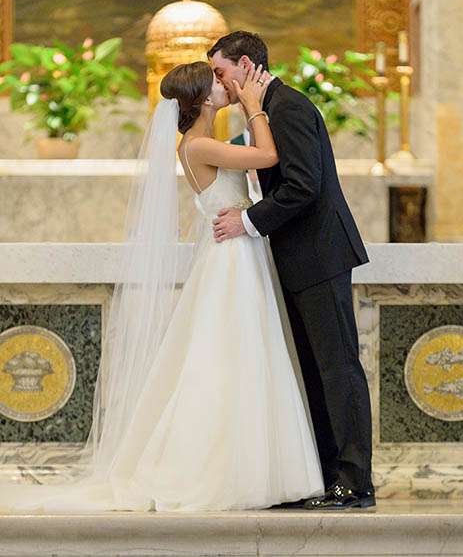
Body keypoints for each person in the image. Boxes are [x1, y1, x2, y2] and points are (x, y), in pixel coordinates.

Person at [0, 62, 324, 511]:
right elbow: (267, 157)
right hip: (231, 261)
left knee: (243, 357)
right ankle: (220, 469)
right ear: (204, 98)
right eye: (215, 79)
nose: (222, 83)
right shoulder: (198, 146)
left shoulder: (203, 143)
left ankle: (255, 465)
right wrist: (254, 108)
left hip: (237, 253)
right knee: (231, 357)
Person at [209, 31, 374, 510]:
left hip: (320, 256)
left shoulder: (289, 107)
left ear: (244, 64)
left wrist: (247, 220)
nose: (219, 83)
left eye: (221, 72)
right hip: (298, 258)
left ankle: (354, 481)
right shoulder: (264, 110)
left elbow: (304, 185)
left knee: (338, 368)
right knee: (315, 371)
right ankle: (327, 476)